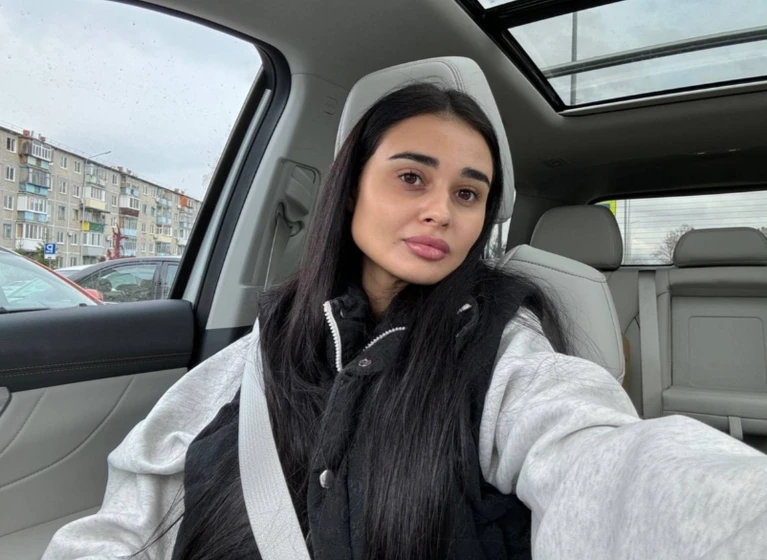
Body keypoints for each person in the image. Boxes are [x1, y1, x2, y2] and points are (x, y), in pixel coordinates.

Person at [43, 83, 767, 560]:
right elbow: (137, 506)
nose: (440, 211)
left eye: (468, 193)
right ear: (350, 188)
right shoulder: (270, 340)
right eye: (411, 177)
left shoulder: (502, 349)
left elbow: (602, 461)